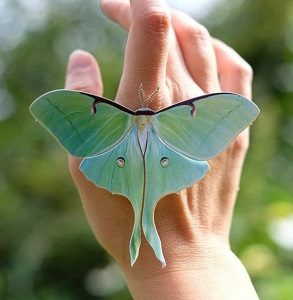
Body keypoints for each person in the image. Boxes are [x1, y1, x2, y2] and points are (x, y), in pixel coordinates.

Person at [65, 0, 259, 298]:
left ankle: (141, 240)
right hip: (163, 157)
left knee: (142, 212)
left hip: (125, 157)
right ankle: (143, 239)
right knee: (146, 213)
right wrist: (204, 253)